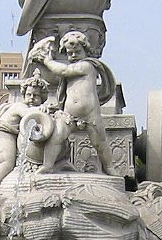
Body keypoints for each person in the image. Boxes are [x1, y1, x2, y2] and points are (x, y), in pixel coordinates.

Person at [30, 31, 115, 175]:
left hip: (90, 115)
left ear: (86, 50)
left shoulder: (87, 66)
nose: (74, 55)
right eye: (70, 53)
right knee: (56, 137)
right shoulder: (71, 70)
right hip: (69, 115)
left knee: (100, 143)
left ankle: (110, 168)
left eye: (77, 51)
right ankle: (48, 165)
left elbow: (63, 70)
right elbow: (59, 79)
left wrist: (47, 61)